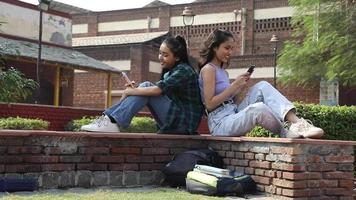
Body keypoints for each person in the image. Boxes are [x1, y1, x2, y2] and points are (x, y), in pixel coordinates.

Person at [198, 29, 324, 138]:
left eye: (232, 48)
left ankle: (298, 124)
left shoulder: (223, 72)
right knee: (258, 109)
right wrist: (234, 86)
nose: (230, 52)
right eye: (226, 48)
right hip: (220, 123)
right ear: (214, 47)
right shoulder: (209, 69)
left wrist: (239, 88)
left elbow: (231, 101)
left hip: (232, 113)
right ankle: (284, 132)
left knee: (262, 86)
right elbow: (209, 105)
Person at [81, 36, 204, 134]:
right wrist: (132, 92)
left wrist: (131, 92)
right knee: (144, 87)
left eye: (165, 55)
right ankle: (110, 120)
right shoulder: (172, 71)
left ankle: (112, 121)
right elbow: (154, 92)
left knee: (145, 87)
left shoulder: (184, 71)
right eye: (160, 53)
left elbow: (156, 91)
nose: (161, 57)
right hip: (175, 121)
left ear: (177, 57)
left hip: (184, 123)